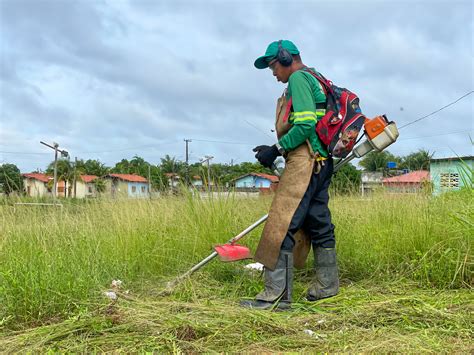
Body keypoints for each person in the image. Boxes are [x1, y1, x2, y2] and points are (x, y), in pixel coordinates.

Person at [240, 40, 339, 310]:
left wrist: (277, 148)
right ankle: (327, 286)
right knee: (319, 223)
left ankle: (275, 298)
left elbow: (305, 124)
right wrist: (273, 149)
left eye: (273, 66)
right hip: (321, 162)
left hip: (305, 163)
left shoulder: (298, 78)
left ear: (285, 58)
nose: (273, 73)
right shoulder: (315, 77)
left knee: (280, 226)